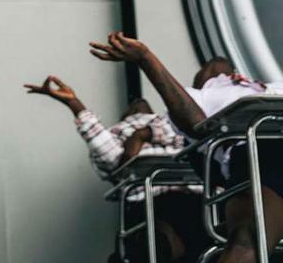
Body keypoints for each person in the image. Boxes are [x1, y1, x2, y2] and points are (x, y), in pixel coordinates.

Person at [90, 33, 283, 263]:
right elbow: (196, 125)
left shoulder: (269, 87)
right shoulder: (201, 97)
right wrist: (145, 58)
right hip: (260, 153)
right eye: (208, 72)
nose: (216, 69)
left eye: (225, 71)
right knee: (248, 242)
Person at [25, 75, 202, 262]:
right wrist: (74, 104)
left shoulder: (171, 123)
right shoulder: (117, 135)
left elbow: (195, 130)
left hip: (197, 197)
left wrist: (144, 133)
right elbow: (109, 154)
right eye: (131, 109)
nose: (137, 102)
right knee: (157, 239)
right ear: (124, 120)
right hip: (153, 202)